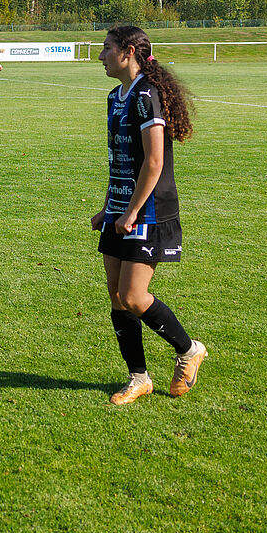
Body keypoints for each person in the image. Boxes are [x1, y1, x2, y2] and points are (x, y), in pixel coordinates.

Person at [91, 24, 205, 405]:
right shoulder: (114, 96)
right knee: (116, 297)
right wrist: (109, 207)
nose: (101, 55)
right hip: (121, 208)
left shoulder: (145, 95)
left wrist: (132, 212)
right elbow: (118, 159)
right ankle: (138, 378)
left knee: (134, 295)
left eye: (106, 48)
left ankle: (189, 349)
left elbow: (154, 162)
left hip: (148, 210)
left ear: (128, 52)